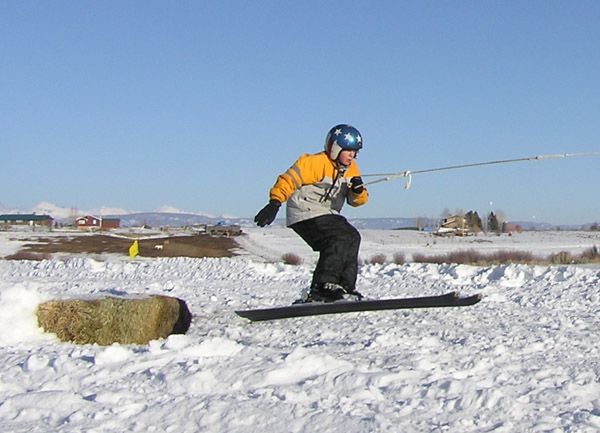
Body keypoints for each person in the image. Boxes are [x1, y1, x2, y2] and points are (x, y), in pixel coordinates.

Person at [254, 124, 369, 302]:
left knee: (352, 236)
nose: (352, 156)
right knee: (338, 237)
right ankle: (322, 287)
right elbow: (288, 180)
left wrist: (358, 191)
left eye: (355, 152)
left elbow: (357, 202)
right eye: (349, 151)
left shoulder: (351, 169)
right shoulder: (314, 162)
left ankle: (345, 287)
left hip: (327, 213)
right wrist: (274, 203)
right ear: (335, 148)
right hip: (304, 211)